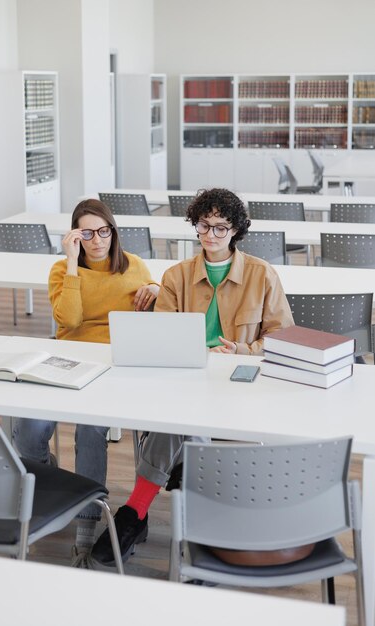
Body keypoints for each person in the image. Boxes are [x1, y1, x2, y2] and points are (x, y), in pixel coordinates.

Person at [92, 187, 295, 567]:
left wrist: (243, 350)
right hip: (187, 377)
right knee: (182, 416)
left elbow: (282, 337)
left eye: (221, 227)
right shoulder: (176, 276)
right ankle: (188, 516)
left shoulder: (262, 274)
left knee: (179, 423)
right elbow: (164, 338)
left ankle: (135, 512)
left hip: (240, 382)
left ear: (236, 230)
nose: (212, 235)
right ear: (195, 226)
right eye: (204, 226)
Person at [12, 198, 159, 567]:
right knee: (28, 428)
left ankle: (86, 525)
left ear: (113, 231)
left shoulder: (135, 267)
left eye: (104, 231)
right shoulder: (62, 270)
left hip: (114, 364)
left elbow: (159, 307)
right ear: (76, 236)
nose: (97, 240)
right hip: (67, 358)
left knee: (91, 432)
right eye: (88, 233)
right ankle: (49, 481)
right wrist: (74, 264)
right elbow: (70, 321)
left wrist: (156, 289)